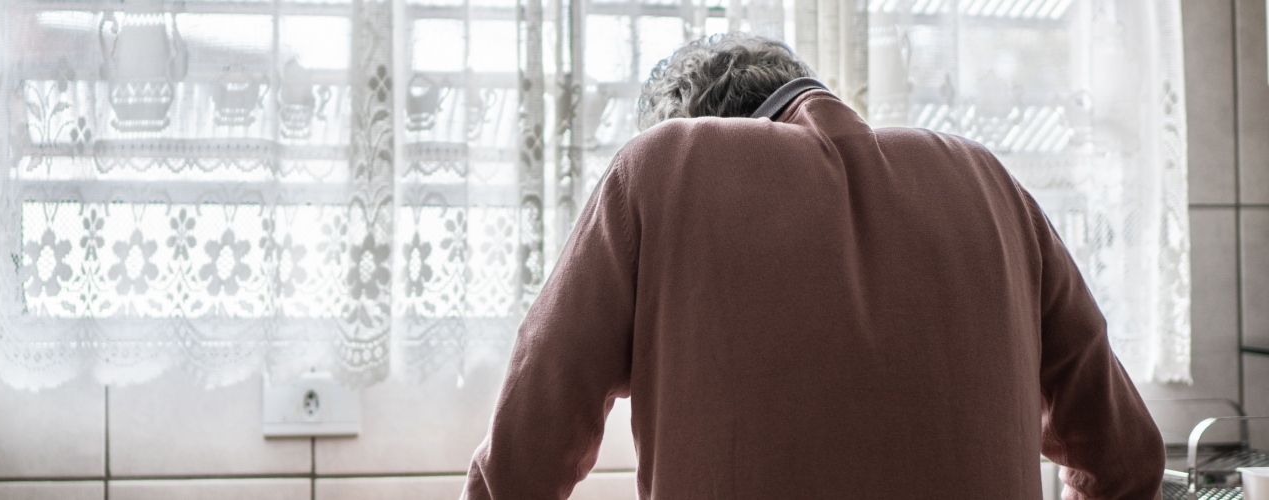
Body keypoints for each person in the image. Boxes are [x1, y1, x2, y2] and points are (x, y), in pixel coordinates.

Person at [461, 34, 1164, 500]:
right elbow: (1129, 459)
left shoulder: (663, 168)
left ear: (701, 122)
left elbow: (522, 465)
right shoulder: (989, 180)